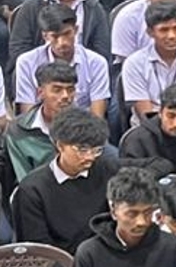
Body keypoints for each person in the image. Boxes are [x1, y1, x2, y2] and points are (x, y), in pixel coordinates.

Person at [11, 108, 116, 255]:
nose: (90, 157)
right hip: (58, 262)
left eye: (96, 150)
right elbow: (39, 250)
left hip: (102, 257)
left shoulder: (108, 171)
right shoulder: (32, 190)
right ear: (60, 145)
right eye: (82, 149)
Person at [5, 62, 83, 183]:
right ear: (40, 93)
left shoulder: (86, 127)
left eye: (70, 90)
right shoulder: (19, 130)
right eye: (57, 90)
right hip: (33, 190)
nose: (65, 96)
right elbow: (23, 179)